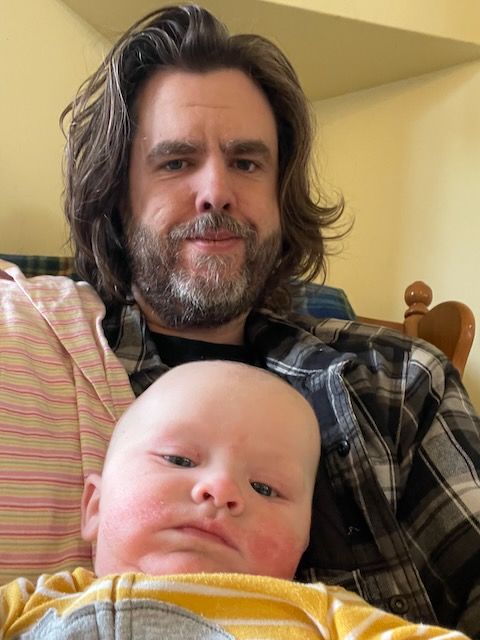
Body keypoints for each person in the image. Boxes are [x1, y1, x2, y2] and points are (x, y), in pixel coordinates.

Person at [0, 2, 478, 636]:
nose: (216, 190)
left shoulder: (400, 381)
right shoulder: (41, 348)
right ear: (118, 199)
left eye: (248, 163)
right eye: (175, 162)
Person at [0, 361, 470, 639]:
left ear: (303, 545)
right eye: (179, 459)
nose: (221, 490)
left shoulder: (322, 611)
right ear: (94, 507)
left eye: (265, 488)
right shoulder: (36, 600)